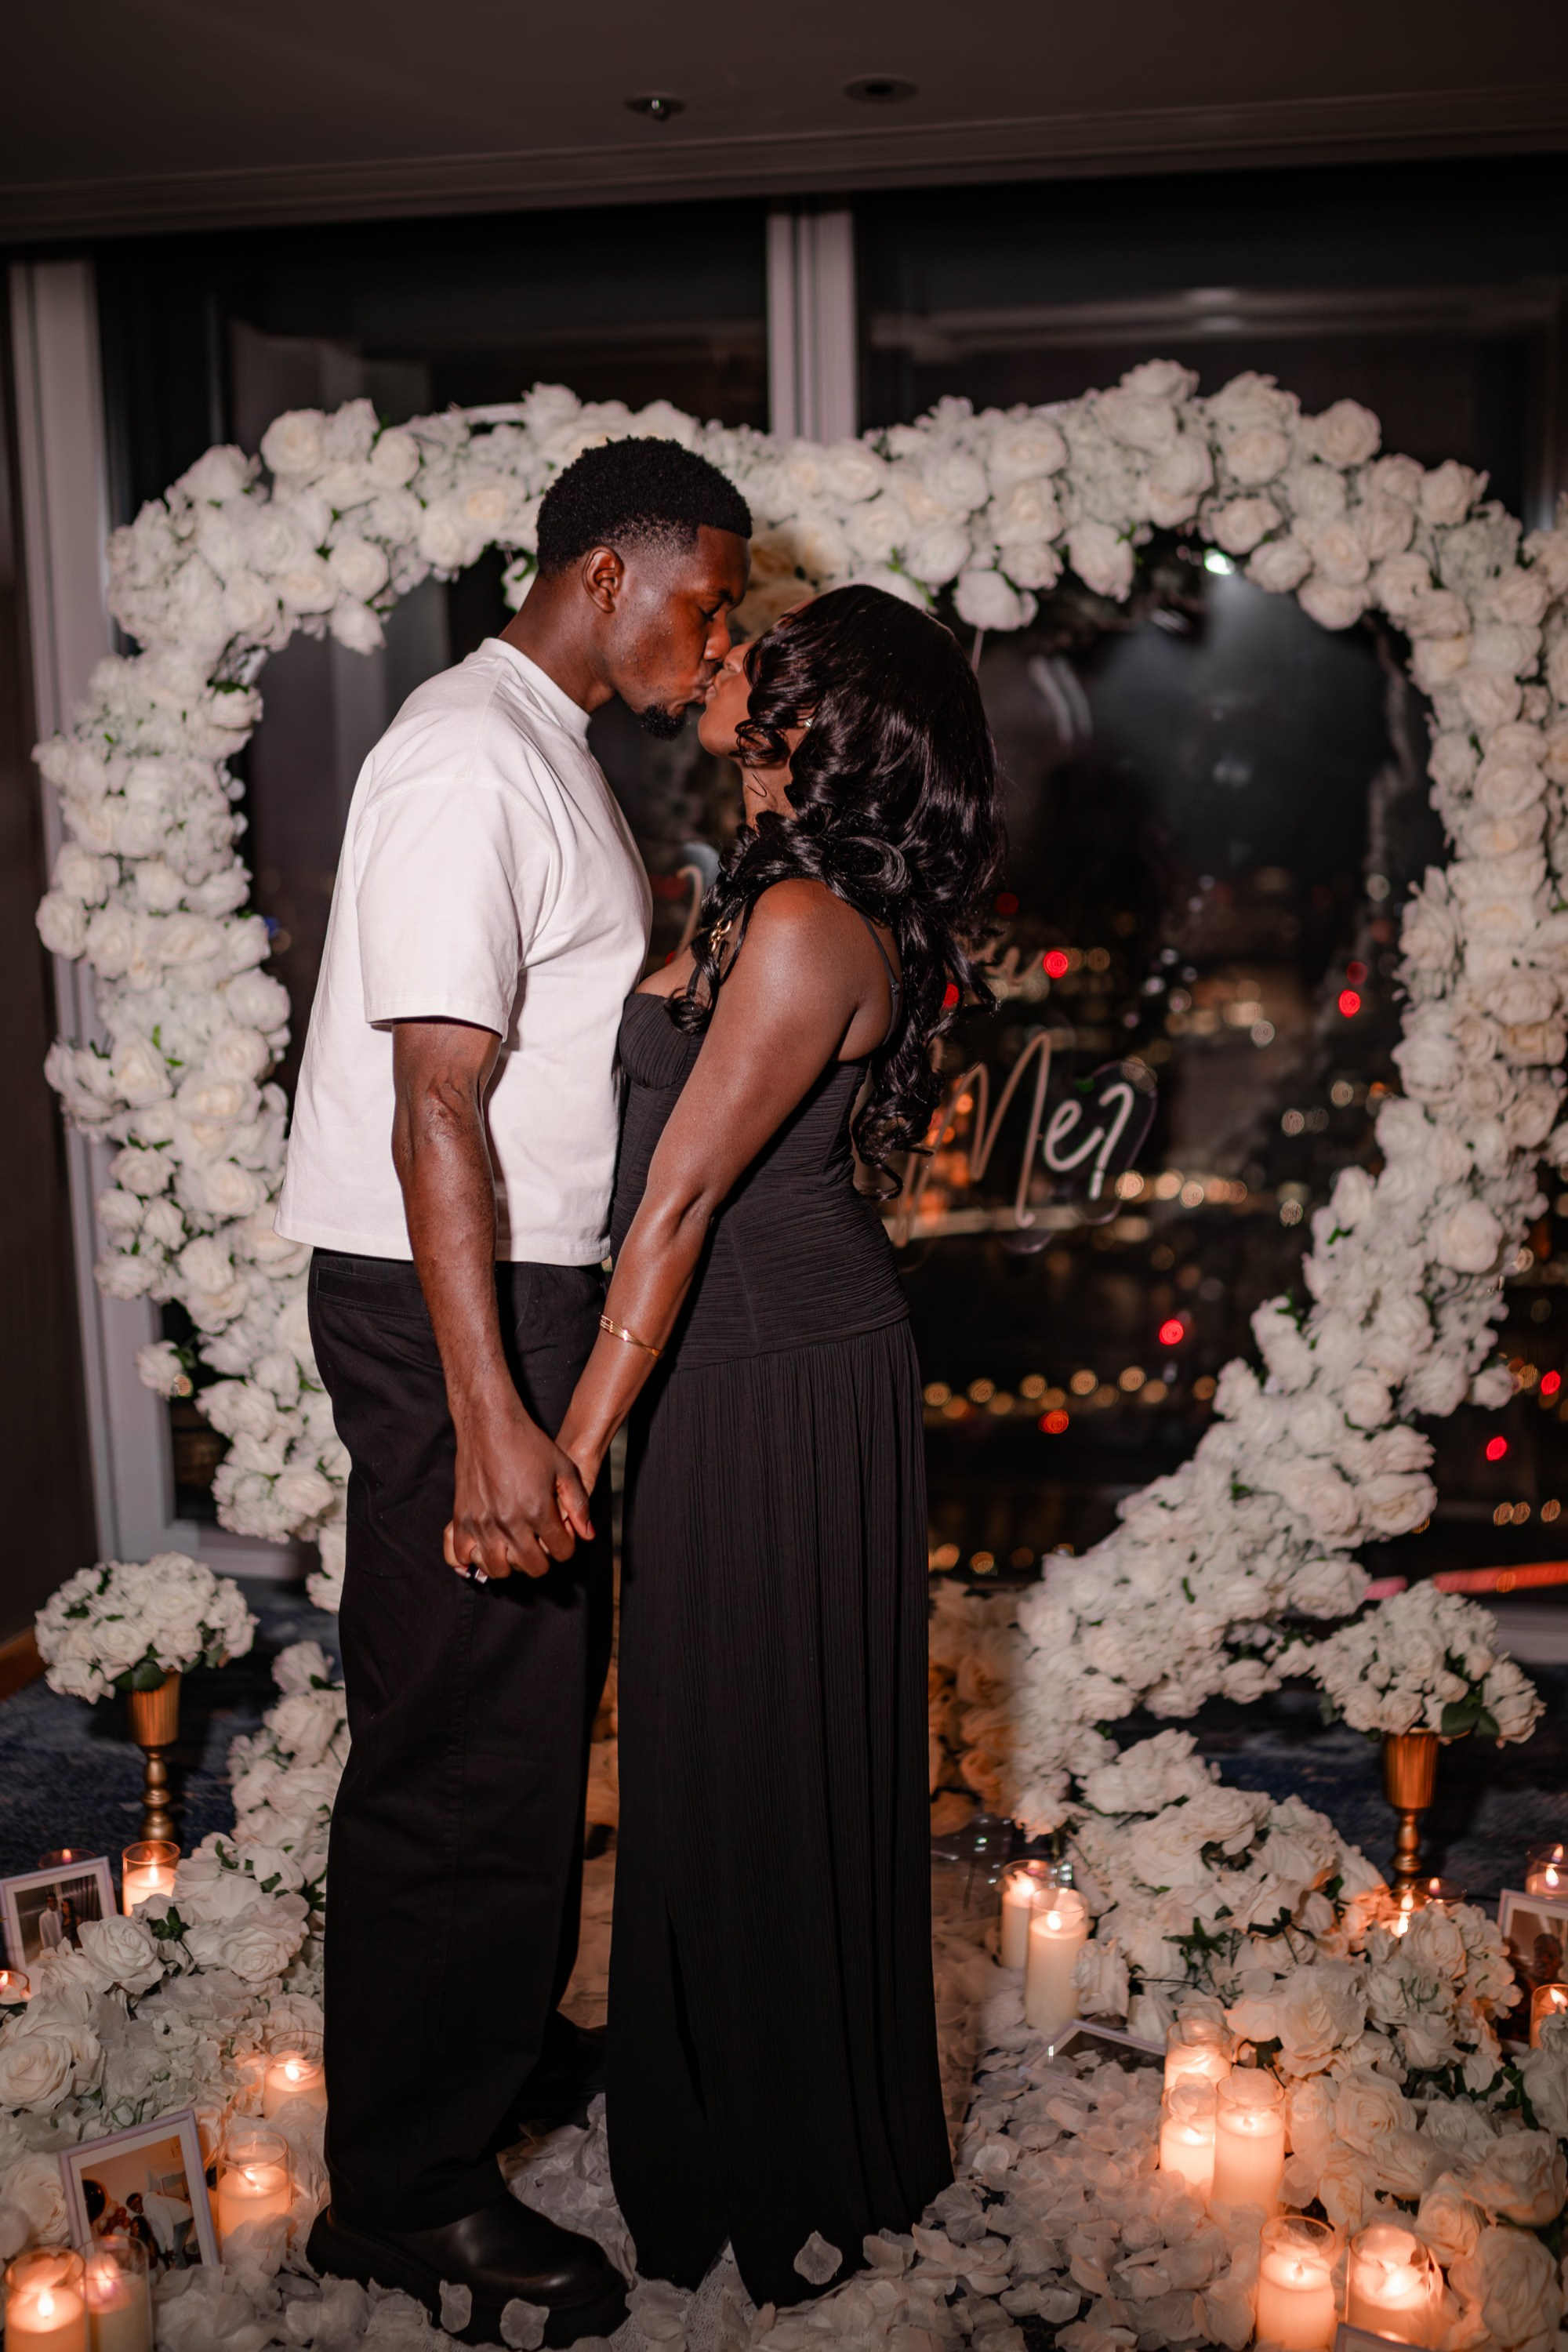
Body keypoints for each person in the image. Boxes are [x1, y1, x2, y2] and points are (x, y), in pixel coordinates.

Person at [277, 435, 752, 2343]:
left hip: (512, 1293)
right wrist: (488, 1409)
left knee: (524, 1718)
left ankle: (474, 2061)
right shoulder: (467, 754)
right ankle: (400, 2197)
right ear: (604, 576)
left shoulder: (542, 744)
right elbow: (435, 1098)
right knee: (464, 1743)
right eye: (705, 602)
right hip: (448, 1304)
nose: (716, 639)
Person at [552, 585, 1004, 2307]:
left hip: (779, 1373)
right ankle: (710, 2116)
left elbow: (673, 1198)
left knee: (761, 1745)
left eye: (760, 663)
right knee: (698, 1745)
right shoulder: (752, 887)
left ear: (826, 724)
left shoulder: (810, 921)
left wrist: (572, 1446)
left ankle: (791, 2150)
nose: (723, 662)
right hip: (726, 1361)